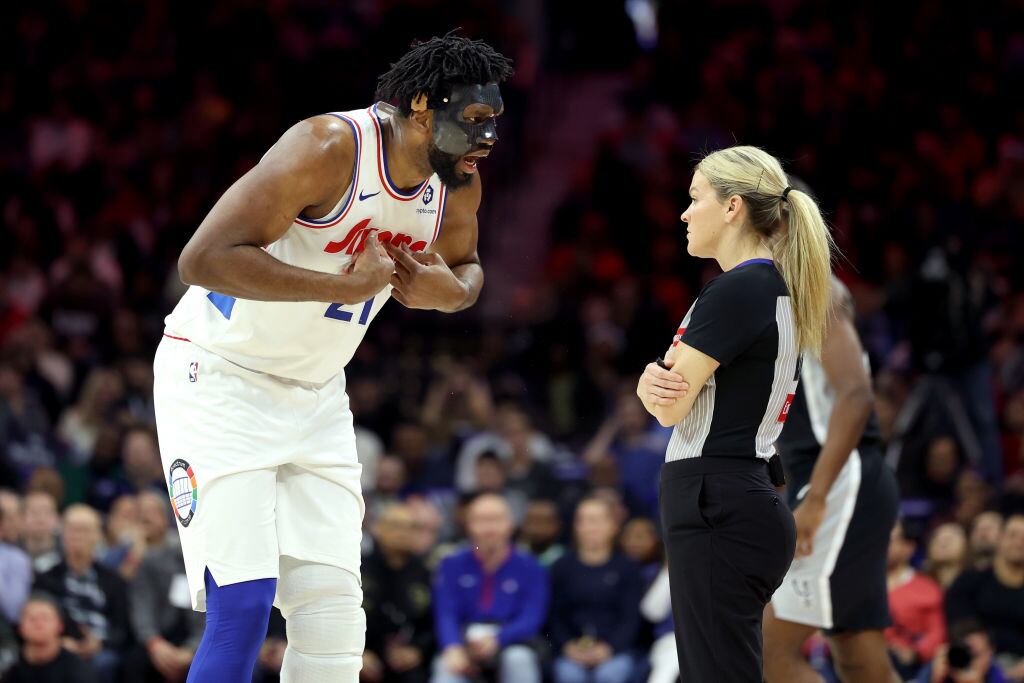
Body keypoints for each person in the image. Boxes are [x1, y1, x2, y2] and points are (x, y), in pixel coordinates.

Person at [152, 33, 513, 682]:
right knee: (243, 603)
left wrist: (450, 293)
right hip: (219, 380)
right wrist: (340, 285)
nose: (488, 138)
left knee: (335, 617)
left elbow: (467, 270)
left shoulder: (457, 184)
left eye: (495, 122)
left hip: (316, 393)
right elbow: (200, 259)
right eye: (477, 120)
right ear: (424, 107)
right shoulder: (326, 147)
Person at [635, 146, 833, 681]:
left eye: (695, 198)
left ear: (732, 207)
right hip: (739, 496)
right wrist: (655, 385)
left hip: (717, 500)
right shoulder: (769, 288)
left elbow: (668, 405)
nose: (684, 212)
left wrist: (646, 383)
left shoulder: (738, 289)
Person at [762, 272, 901, 683]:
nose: (687, 213)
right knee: (858, 656)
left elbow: (856, 395)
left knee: (766, 649)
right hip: (823, 480)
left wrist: (817, 497)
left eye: (697, 202)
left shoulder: (811, 289)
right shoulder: (757, 293)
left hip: (839, 480)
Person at [431, 493, 548, 683]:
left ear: (510, 524)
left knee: (518, 659)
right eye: (481, 520)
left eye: (496, 520)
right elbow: (446, 612)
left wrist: (499, 638)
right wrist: (452, 646)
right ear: (468, 524)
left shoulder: (531, 566)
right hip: (464, 641)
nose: (489, 528)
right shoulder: (451, 564)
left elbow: (531, 616)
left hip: (511, 641)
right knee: (446, 669)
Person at [550, 496, 643, 683]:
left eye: (596, 520)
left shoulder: (627, 568)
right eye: (582, 520)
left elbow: (631, 617)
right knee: (569, 675)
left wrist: (610, 648)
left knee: (609, 675)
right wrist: (568, 646)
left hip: (616, 650)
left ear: (613, 526)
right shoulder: (561, 567)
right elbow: (554, 616)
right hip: (571, 650)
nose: (589, 527)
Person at [33, 504, 130, 682]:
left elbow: (122, 627)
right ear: (62, 535)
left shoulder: (115, 581)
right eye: (72, 530)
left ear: (97, 536)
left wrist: (99, 643)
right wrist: (59, 642)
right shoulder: (45, 579)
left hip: (102, 649)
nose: (78, 536)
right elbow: (37, 616)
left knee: (106, 664)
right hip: (59, 647)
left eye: (85, 530)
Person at [125, 491, 204, 682]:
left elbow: (208, 612)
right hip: (154, 639)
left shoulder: (199, 560)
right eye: (141, 513)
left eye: (152, 512)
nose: (147, 518)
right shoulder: (138, 559)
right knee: (133, 661)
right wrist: (154, 643)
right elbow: (140, 605)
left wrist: (191, 649)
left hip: (193, 638)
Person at [945, 514, 1024, 681]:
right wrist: (980, 654)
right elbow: (959, 621)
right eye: (1013, 535)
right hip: (974, 657)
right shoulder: (971, 579)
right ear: (1000, 539)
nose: (1019, 542)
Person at [361, 503, 434, 683]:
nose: (403, 532)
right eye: (395, 525)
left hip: (407, 658)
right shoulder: (359, 569)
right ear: (377, 529)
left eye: (410, 527)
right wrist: (356, 654)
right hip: (363, 653)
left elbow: (431, 623)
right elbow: (341, 617)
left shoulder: (425, 573)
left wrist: (418, 651)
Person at [886, 521, 947, 680]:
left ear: (909, 547)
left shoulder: (927, 588)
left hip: (910, 664)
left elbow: (936, 631)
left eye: (890, 540)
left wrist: (915, 653)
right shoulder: (862, 584)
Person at [2, 594, 97, 683]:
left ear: (60, 626)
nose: (38, 624)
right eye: (32, 619)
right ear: (20, 627)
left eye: (45, 618)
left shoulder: (78, 671)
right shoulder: (9, 670)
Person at [915, 619, 1008, 683]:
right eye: (965, 655)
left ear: (990, 652)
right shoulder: (939, 669)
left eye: (975, 655)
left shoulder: (999, 677)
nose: (970, 662)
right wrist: (936, 679)